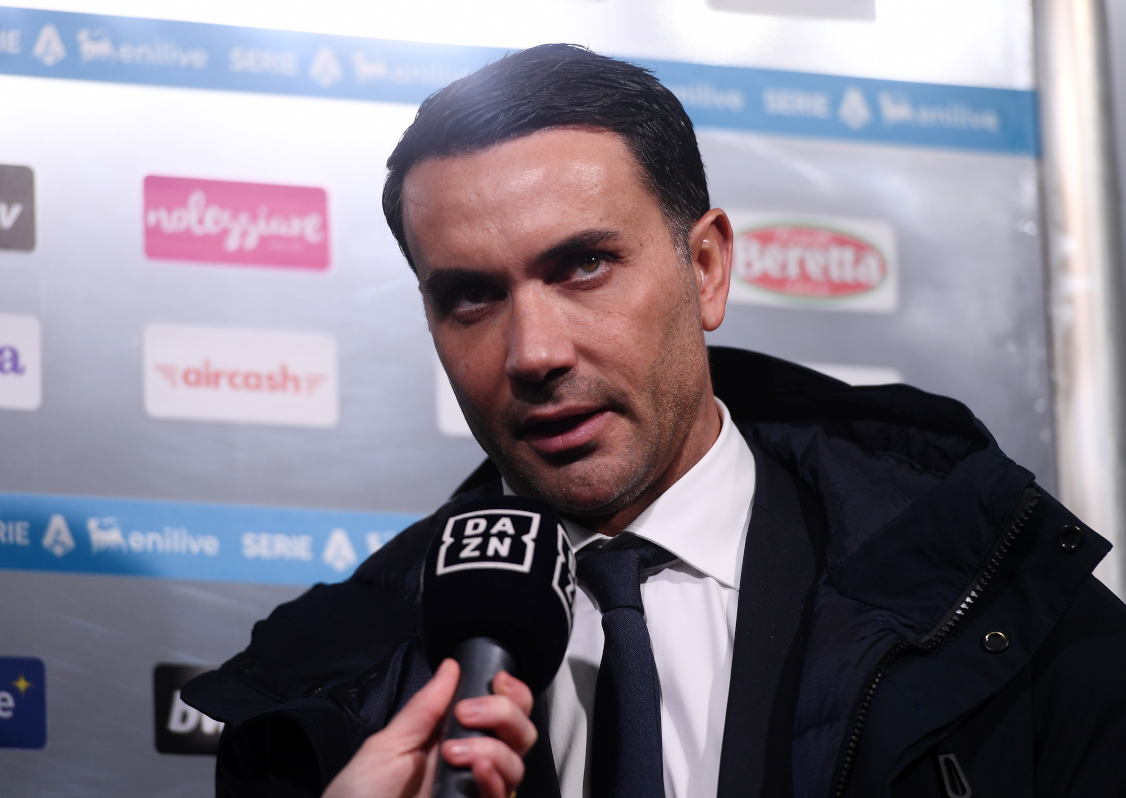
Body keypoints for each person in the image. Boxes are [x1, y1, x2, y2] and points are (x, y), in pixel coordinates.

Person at [182, 44, 1126, 798]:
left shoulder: (1006, 610)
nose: (533, 352)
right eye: (470, 296)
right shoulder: (316, 701)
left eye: (583, 266)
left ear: (706, 267)